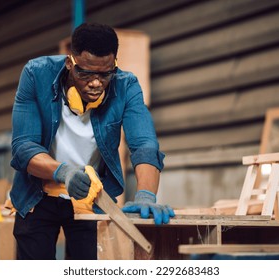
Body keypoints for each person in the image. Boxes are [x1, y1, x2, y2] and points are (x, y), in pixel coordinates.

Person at [9, 22, 175, 260]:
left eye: (105, 74)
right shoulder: (37, 75)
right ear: (70, 63)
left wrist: (146, 194)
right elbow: (24, 148)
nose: (96, 83)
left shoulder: (126, 86)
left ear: (114, 65)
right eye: (85, 73)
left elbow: (144, 145)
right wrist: (64, 172)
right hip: (37, 194)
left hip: (90, 197)